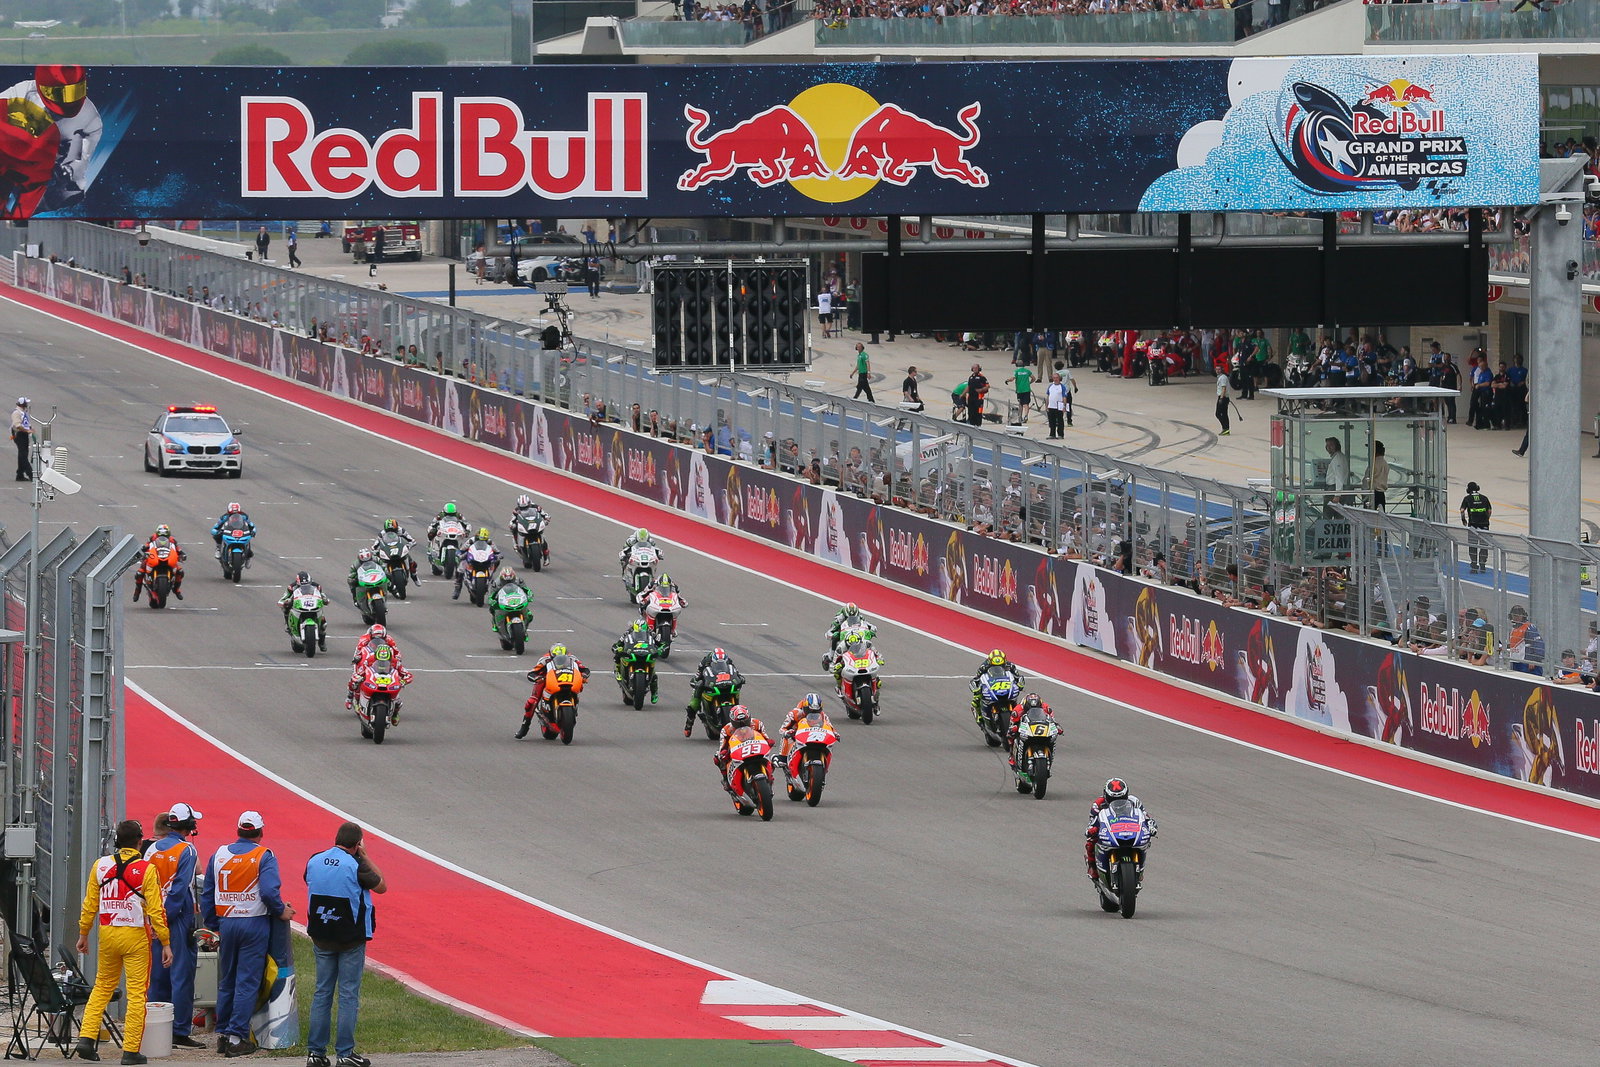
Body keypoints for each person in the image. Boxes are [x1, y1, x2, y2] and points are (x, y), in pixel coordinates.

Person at [74, 818, 172, 1066]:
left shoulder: (100, 865)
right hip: (135, 936)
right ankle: (130, 1051)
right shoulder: (147, 869)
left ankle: (86, 1037)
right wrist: (165, 942)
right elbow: (156, 910)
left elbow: (90, 904)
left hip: (107, 933)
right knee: (137, 994)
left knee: (102, 986)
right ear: (140, 842)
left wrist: (84, 933)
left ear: (116, 841)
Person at [202, 811, 294, 1059]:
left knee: (227, 980)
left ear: (238, 830)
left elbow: (207, 893)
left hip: (227, 922)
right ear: (260, 833)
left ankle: (223, 1034)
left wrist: (214, 924)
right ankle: (236, 1037)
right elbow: (269, 892)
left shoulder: (219, 854)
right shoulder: (264, 855)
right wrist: (280, 911)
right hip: (253, 923)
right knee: (247, 982)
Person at [303, 822, 387, 1067]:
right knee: (348, 994)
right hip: (351, 937)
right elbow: (381, 886)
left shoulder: (315, 859)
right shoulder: (357, 865)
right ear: (357, 844)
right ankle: (345, 1053)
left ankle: (315, 1054)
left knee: (322, 992)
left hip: (321, 933)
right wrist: (365, 856)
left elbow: (309, 879)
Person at [144, 803, 207, 1050]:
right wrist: (166, 919)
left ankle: (156, 1028)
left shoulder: (151, 849)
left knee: (158, 975)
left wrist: (154, 920)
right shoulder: (187, 850)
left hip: (153, 916)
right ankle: (180, 1031)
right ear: (188, 826)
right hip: (178, 917)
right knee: (182, 975)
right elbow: (180, 889)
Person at [1083, 777, 1157, 881]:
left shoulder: (1134, 801)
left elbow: (1145, 816)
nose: (1117, 802)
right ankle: (1092, 867)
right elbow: (1093, 821)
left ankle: (1140, 869)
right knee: (1090, 841)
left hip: (1130, 829)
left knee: (1145, 842)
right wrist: (1092, 830)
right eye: (1113, 799)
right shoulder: (1098, 804)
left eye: (1121, 798)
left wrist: (1151, 825)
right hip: (1109, 830)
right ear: (1106, 795)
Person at [685, 647, 745, 736]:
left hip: (725, 683)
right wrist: (697, 682)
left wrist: (740, 679)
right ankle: (688, 725)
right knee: (694, 704)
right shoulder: (705, 661)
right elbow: (697, 676)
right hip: (709, 684)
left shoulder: (728, 661)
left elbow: (735, 673)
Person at [778, 693, 835, 782]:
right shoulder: (794, 713)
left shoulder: (823, 715)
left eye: (817, 711)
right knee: (785, 738)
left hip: (814, 736)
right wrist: (787, 732)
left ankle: (824, 767)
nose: (813, 713)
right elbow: (782, 729)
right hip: (796, 735)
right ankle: (782, 758)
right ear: (804, 708)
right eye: (810, 710)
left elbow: (830, 727)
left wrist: (835, 733)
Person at [713, 705, 769, 795]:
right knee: (717, 757)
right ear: (732, 721)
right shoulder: (726, 730)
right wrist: (724, 752)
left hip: (755, 748)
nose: (742, 724)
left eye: (745, 721)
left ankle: (770, 775)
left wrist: (768, 741)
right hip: (737, 751)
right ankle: (725, 779)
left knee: (770, 757)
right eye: (738, 723)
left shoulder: (757, 724)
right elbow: (722, 746)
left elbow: (765, 737)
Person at [278, 571, 328, 652]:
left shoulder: (316, 586)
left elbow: (322, 595)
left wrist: (325, 600)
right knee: (285, 608)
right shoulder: (291, 587)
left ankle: (322, 641)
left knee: (324, 623)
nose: (305, 587)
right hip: (298, 605)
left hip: (312, 606)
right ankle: (288, 625)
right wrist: (285, 602)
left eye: (307, 584)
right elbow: (283, 598)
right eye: (302, 585)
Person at [134, 524, 186, 601]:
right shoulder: (152, 538)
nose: (163, 536)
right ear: (157, 533)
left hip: (167, 557)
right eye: (161, 534)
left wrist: (182, 554)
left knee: (180, 571)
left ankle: (176, 590)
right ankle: (137, 592)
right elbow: (146, 546)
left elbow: (178, 549)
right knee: (139, 573)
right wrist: (143, 551)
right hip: (153, 556)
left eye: (165, 534)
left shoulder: (172, 540)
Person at [1005, 692, 1056, 769]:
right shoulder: (1018, 710)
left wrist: (1055, 726)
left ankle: (1049, 756)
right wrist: (1014, 728)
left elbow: (1052, 720)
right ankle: (1012, 754)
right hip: (1025, 727)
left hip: (1040, 727)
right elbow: (1012, 724)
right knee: (1010, 735)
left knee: (1053, 736)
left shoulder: (1046, 708)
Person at [970, 648, 1024, 718]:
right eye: (994, 665)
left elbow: (1018, 676)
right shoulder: (983, 667)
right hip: (991, 683)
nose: (998, 667)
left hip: (1005, 684)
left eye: (1001, 665)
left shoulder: (1010, 666)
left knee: (1016, 700)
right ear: (990, 662)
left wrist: (1020, 684)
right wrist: (976, 689)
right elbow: (977, 679)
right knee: (976, 699)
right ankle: (979, 716)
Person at [612, 619, 658, 698]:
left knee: (654, 673)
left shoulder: (651, 633)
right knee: (618, 656)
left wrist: (661, 649)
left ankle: (654, 693)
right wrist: (617, 648)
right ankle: (617, 670)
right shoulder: (627, 633)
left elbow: (661, 643)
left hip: (646, 653)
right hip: (632, 652)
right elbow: (618, 644)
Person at [453, 527, 499, 600]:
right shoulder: (471, 540)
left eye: (484, 540)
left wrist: (498, 556)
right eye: (478, 539)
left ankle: (491, 573)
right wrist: (459, 554)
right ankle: (457, 587)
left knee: (496, 561)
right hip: (471, 558)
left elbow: (497, 551)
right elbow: (462, 549)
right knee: (460, 568)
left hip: (484, 559)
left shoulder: (490, 542)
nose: (481, 541)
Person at [373, 517, 420, 582]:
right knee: (378, 563)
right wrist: (376, 551)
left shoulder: (401, 531)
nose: (391, 533)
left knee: (412, 562)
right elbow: (374, 546)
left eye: (393, 531)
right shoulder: (382, 534)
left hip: (399, 548)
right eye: (389, 531)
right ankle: (380, 579)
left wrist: (408, 546)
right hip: (388, 550)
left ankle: (414, 576)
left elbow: (412, 540)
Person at [1460, 481, 1492, 573]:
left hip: (1473, 526)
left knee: (1473, 545)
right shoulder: (1484, 498)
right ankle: (1482, 564)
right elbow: (1489, 511)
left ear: (1468, 490)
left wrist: (1463, 520)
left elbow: (1462, 510)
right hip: (1484, 525)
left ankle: (1474, 565)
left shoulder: (1467, 498)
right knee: (1484, 546)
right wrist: (1486, 519)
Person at [11, 396, 32, 481]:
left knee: (23, 454)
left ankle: (20, 474)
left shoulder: (23, 412)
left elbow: (26, 423)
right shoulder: (16, 413)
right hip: (19, 434)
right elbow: (18, 426)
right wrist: (27, 430)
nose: (27, 404)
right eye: (26, 403)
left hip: (24, 434)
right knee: (23, 455)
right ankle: (31, 474)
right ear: (23, 404)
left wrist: (30, 429)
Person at [1364, 440, 1389, 512]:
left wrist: (1364, 493)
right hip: (1381, 494)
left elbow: (1366, 480)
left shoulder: (1373, 464)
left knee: (1370, 516)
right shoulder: (1385, 463)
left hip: (1373, 494)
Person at [1214, 369, 1230, 435]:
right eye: (1216, 369)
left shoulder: (1223, 378)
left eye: (1219, 369)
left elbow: (1224, 388)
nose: (1217, 371)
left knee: (1218, 413)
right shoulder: (1220, 377)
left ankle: (1225, 428)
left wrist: (1221, 398)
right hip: (1224, 397)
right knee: (1224, 414)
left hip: (1223, 397)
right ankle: (1226, 429)